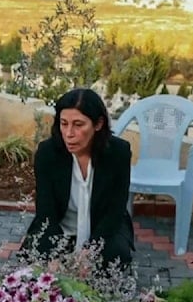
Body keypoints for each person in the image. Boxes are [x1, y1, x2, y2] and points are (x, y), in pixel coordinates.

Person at [24, 88, 134, 267]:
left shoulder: (118, 153)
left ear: (98, 124)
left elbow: (116, 208)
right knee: (36, 256)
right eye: (64, 123)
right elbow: (46, 210)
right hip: (59, 224)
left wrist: (91, 248)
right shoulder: (47, 153)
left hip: (103, 226)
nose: (69, 133)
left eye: (78, 124)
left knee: (115, 258)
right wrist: (54, 253)